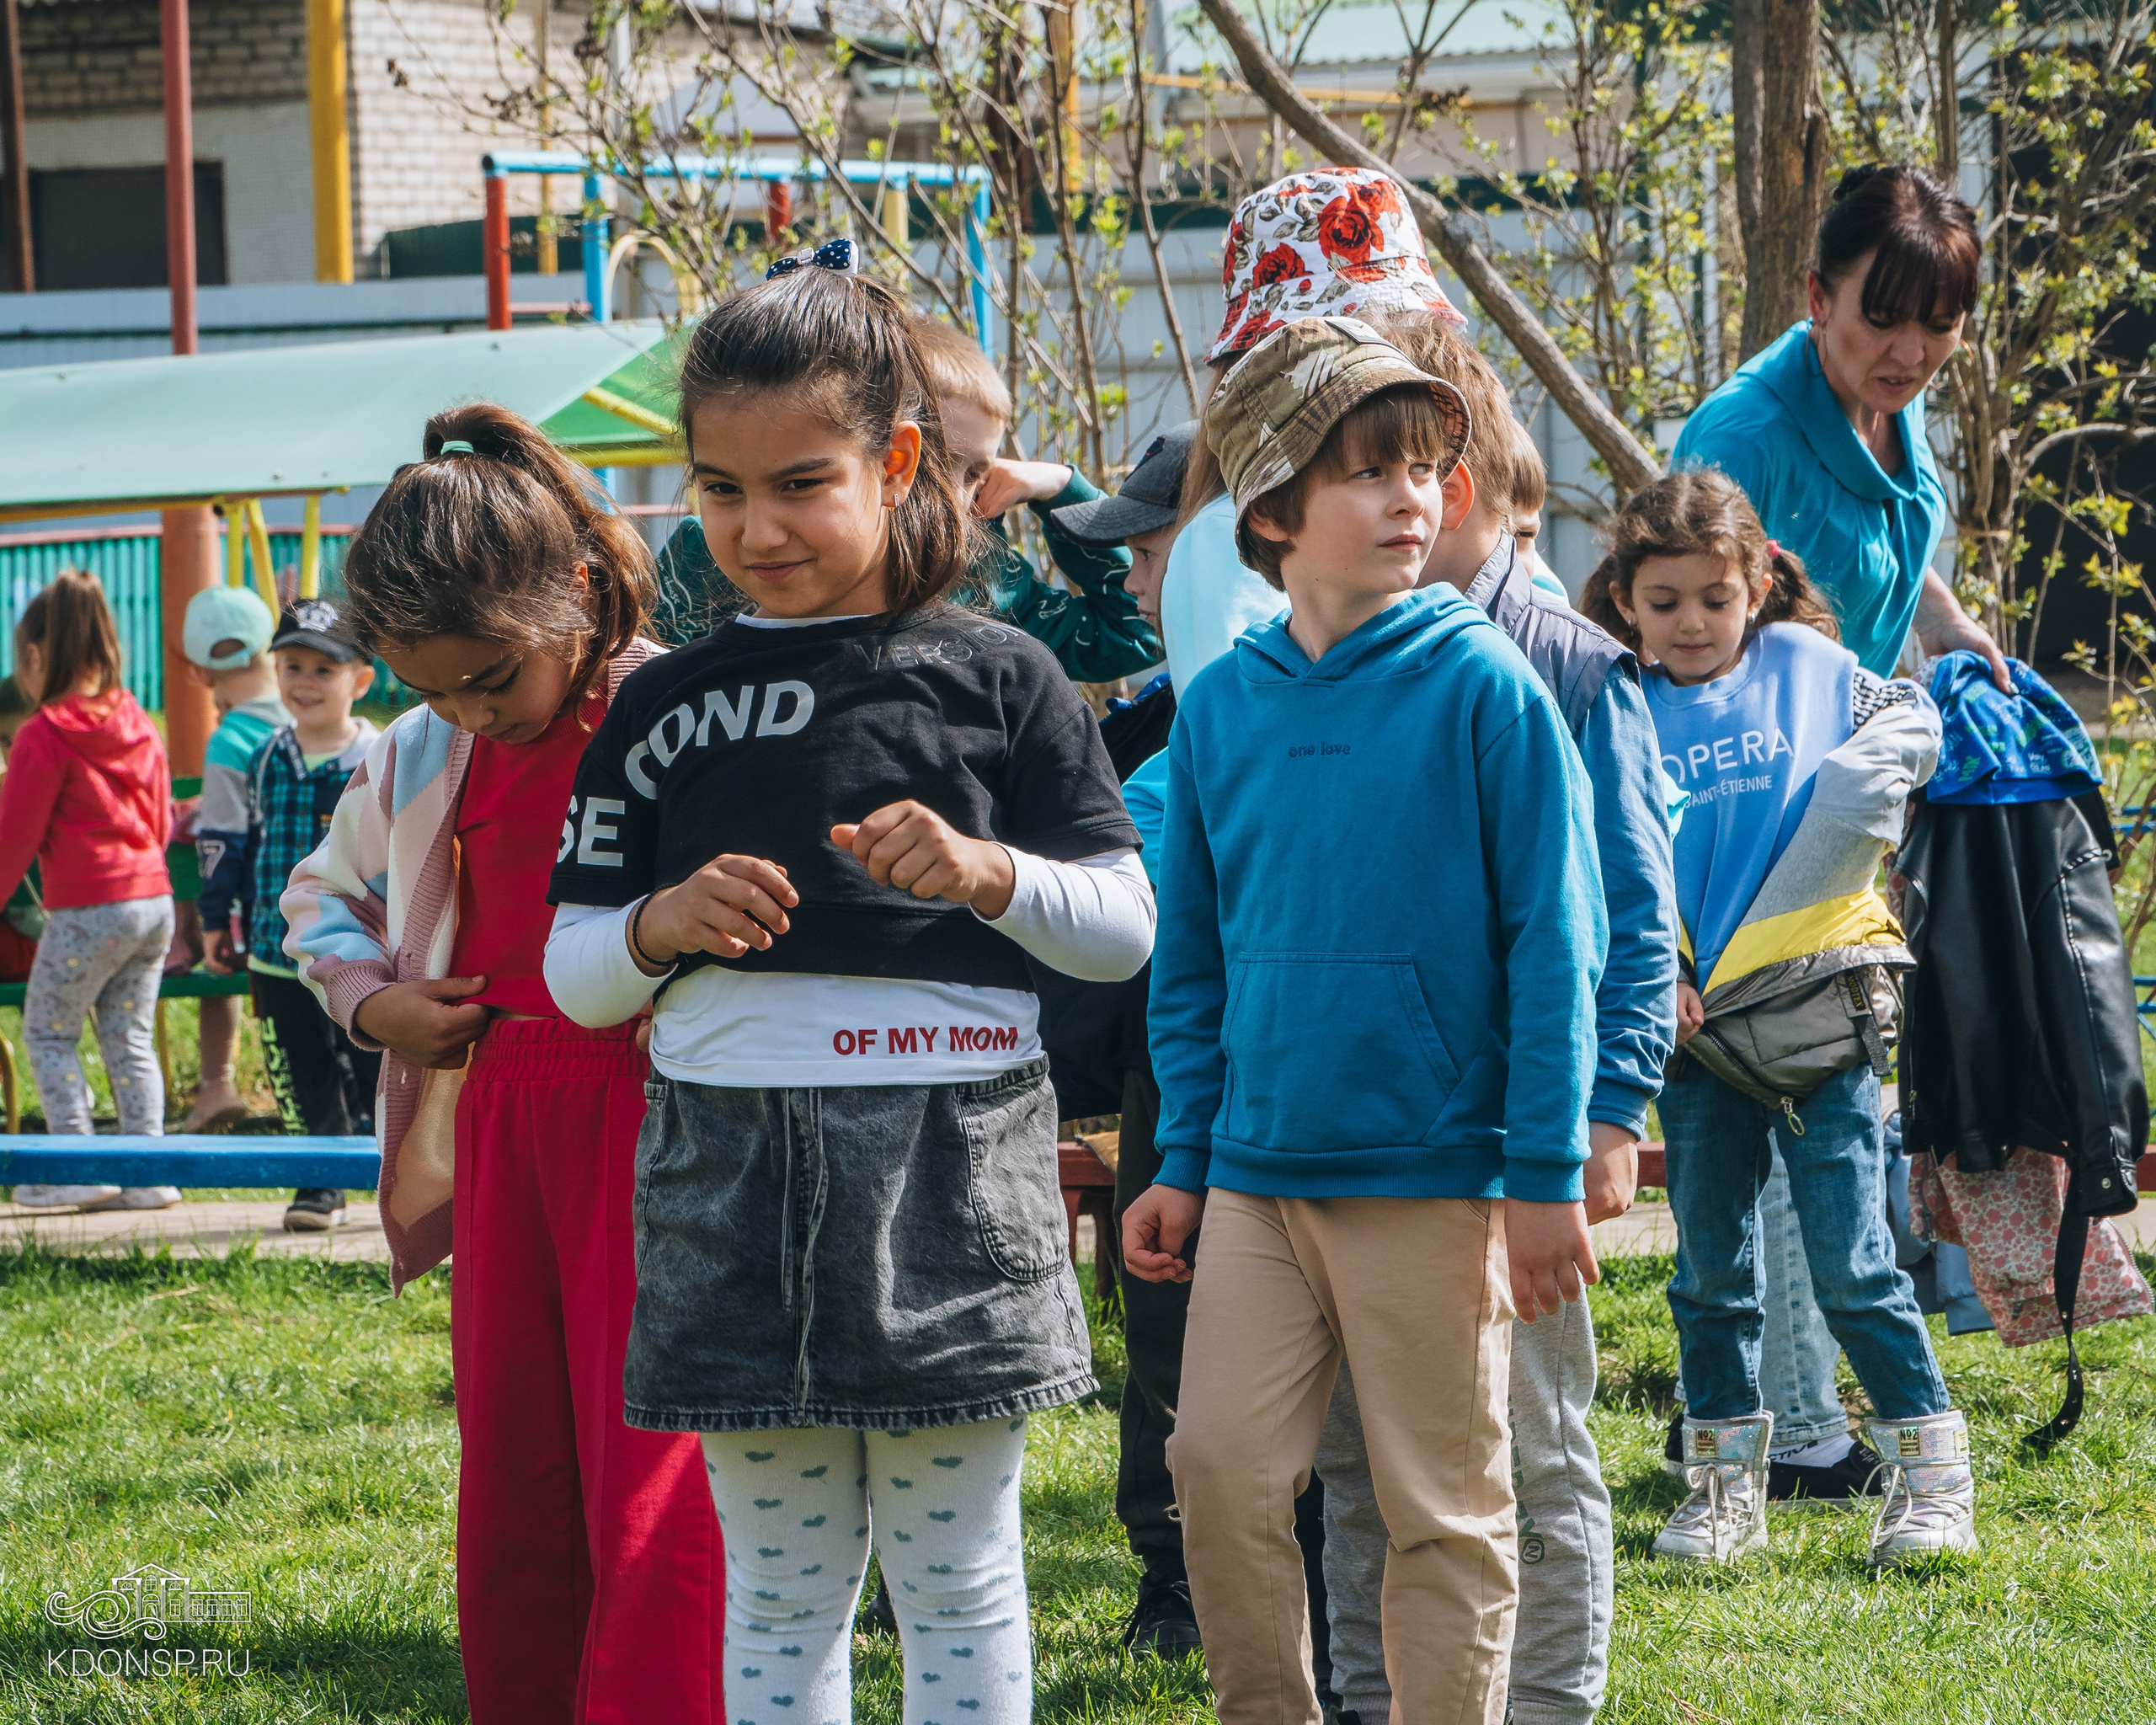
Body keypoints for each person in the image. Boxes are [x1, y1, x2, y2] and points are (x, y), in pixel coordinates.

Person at [539, 267, 1155, 1725]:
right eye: (719, 487)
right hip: (729, 1168)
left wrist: (988, 875)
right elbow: (573, 977)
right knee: (783, 1580)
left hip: (956, 1159)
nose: (756, 528)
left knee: (959, 1573)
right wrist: (655, 924)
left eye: (802, 482)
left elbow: (1126, 931)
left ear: (893, 462)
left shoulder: (1003, 675)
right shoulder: (657, 700)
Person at [1125, 316, 1607, 1725]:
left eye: (1423, 468)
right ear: (1272, 511)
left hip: (1433, 1174)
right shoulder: (1218, 711)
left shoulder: (1486, 690)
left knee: (1440, 1510)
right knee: (1212, 1466)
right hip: (1258, 1182)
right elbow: (1197, 965)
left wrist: (1540, 1176)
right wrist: (1184, 1158)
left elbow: (1554, 944)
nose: (1412, 497)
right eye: (1366, 471)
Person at [281, 406, 726, 1725]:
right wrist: (376, 1013)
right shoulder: (421, 752)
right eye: (434, 689)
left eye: (490, 678)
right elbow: (320, 905)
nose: (470, 709)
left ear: (576, 597)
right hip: (497, 1121)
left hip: (659, 1123)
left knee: (652, 1457)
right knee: (518, 1456)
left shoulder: (680, 710)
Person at [1290, 311, 1676, 1725]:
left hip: (1515, 1141)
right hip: (1351, 1146)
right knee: (1361, 1461)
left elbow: (1632, 911)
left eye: (1393, 462)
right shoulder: (1331, 661)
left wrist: (1608, 1112)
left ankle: (1548, 1703)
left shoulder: (1569, 664)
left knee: (1529, 1442)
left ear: (1453, 475)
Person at [1588, 468, 1977, 1567]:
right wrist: (1647, 971)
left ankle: (1932, 1482)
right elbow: (1608, 860)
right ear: (1626, 599)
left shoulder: (1811, 667)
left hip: (1817, 1016)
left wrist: (1865, 790)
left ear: (1756, 583)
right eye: (1665, 603)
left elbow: (1911, 720)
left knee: (1854, 1261)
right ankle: (1724, 1497)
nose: (1693, 623)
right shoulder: (1616, 706)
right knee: (1710, 1275)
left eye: (1714, 596)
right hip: (1695, 1036)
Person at [1673, 163, 2004, 687]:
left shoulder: (1888, 390)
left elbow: (1872, 541)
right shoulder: (1742, 442)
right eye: (1882, 319)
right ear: (1819, 299)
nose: (1912, 353)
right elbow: (1676, 641)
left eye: (1940, 325)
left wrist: (1943, 619)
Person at [197, 600, 381, 1231]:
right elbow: (239, 842)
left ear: (360, 680)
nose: (304, 683)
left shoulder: (378, 756)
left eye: (323, 671)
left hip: (361, 948)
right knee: (299, 1069)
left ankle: (394, 1176)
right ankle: (319, 1183)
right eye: (292, 665)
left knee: (376, 1063)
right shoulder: (270, 754)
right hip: (278, 953)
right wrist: (218, 921)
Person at [0, 569, 179, 1210]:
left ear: (36, 655)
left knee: (48, 1034)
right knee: (127, 1037)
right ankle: (148, 1174)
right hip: (153, 904)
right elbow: (160, 822)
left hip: (89, 910)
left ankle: (75, 1166)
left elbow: (11, 842)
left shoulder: (42, 736)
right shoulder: (137, 721)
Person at [182, 582, 289, 1132]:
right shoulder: (306, 717)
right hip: (335, 907)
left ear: (200, 672)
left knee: (216, 961)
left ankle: (215, 1084)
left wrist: (212, 922)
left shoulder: (229, 741)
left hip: (262, 921)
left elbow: (220, 843)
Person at [0, 677, 44, 985]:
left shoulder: (60, 796)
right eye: (3, 741)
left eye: (22, 737)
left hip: (51, 940)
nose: (11, 751)